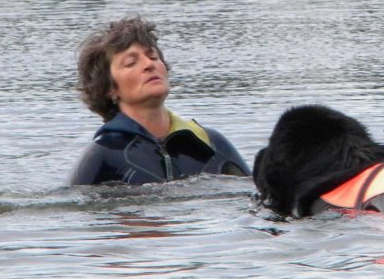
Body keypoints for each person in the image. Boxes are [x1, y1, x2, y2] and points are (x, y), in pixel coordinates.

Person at [68, 16, 250, 185]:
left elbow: (260, 198)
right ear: (109, 89)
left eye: (153, 56)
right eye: (131, 63)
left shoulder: (211, 143)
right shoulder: (102, 155)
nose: (149, 64)